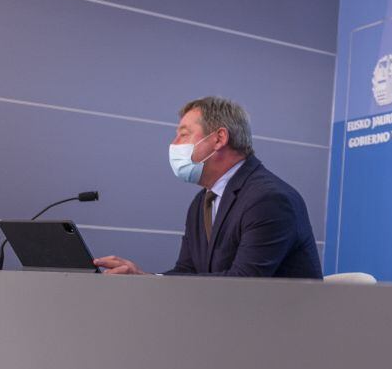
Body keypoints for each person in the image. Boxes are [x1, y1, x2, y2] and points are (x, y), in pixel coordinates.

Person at [94, 97, 322, 279]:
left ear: (219, 138)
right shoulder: (203, 201)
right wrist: (144, 279)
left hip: (278, 330)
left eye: (183, 134)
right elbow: (187, 272)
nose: (173, 144)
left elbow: (246, 282)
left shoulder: (269, 199)